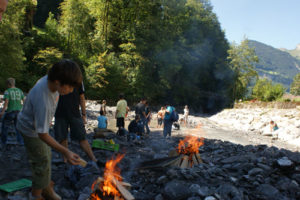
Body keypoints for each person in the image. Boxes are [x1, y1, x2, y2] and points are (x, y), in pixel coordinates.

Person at [17, 59, 82, 200]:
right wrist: (66, 151)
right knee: (41, 161)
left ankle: (46, 188)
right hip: (30, 130)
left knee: (47, 155)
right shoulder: (44, 99)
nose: (71, 91)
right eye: (70, 87)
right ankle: (37, 195)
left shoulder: (50, 81)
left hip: (37, 127)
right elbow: (42, 134)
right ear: (58, 82)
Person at [54, 81, 97, 163]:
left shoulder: (78, 79)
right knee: (62, 138)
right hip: (59, 114)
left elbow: (82, 97)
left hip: (75, 113)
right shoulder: (57, 77)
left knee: (82, 137)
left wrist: (84, 114)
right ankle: (65, 159)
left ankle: (93, 158)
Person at [0, 78, 24, 146]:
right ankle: (20, 141)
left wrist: (2, 111)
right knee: (18, 127)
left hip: (11, 111)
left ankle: (3, 142)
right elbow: (24, 100)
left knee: (5, 127)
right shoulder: (20, 91)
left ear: (8, 84)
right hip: (19, 111)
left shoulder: (7, 91)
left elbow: (6, 102)